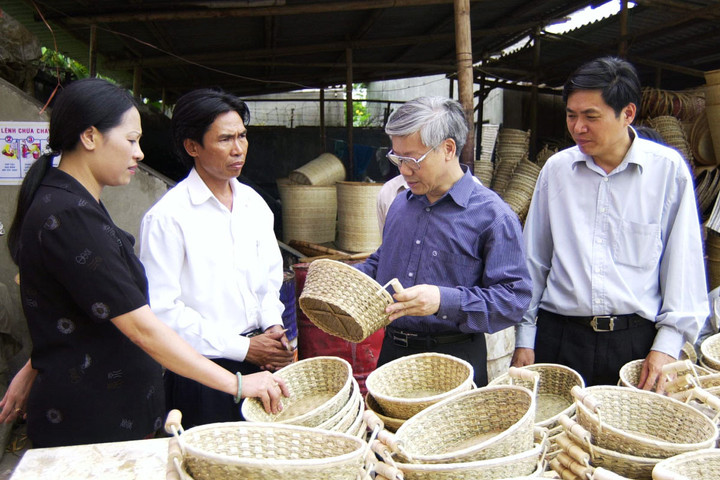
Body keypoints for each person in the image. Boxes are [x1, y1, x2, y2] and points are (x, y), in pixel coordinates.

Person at [0, 78, 288, 447]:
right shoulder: (77, 215)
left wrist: (271, 331)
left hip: (111, 404)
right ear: (90, 137)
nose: (139, 153)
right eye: (132, 140)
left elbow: (78, 310)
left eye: (242, 136)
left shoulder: (77, 206)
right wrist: (239, 380)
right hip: (106, 410)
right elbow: (145, 323)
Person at [512, 57, 708, 393]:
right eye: (571, 115)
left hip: (636, 343)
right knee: (556, 440)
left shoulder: (666, 170)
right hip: (559, 339)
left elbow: (683, 264)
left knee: (630, 442)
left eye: (591, 116)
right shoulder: (556, 171)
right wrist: (524, 337)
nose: (578, 127)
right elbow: (534, 259)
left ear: (627, 113)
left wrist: (666, 345)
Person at [138, 88, 294, 428]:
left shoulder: (254, 204)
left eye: (242, 136)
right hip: (203, 372)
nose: (238, 149)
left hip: (262, 362)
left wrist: (273, 327)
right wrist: (243, 348)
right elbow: (163, 312)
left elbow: (270, 279)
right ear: (192, 146)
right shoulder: (168, 218)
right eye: (225, 139)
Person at [356, 96, 532, 387]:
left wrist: (444, 300)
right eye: (397, 158)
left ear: (448, 149)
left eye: (412, 159)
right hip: (394, 352)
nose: (403, 170)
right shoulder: (400, 204)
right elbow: (384, 260)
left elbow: (513, 300)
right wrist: (351, 276)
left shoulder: (492, 216)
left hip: (456, 355)